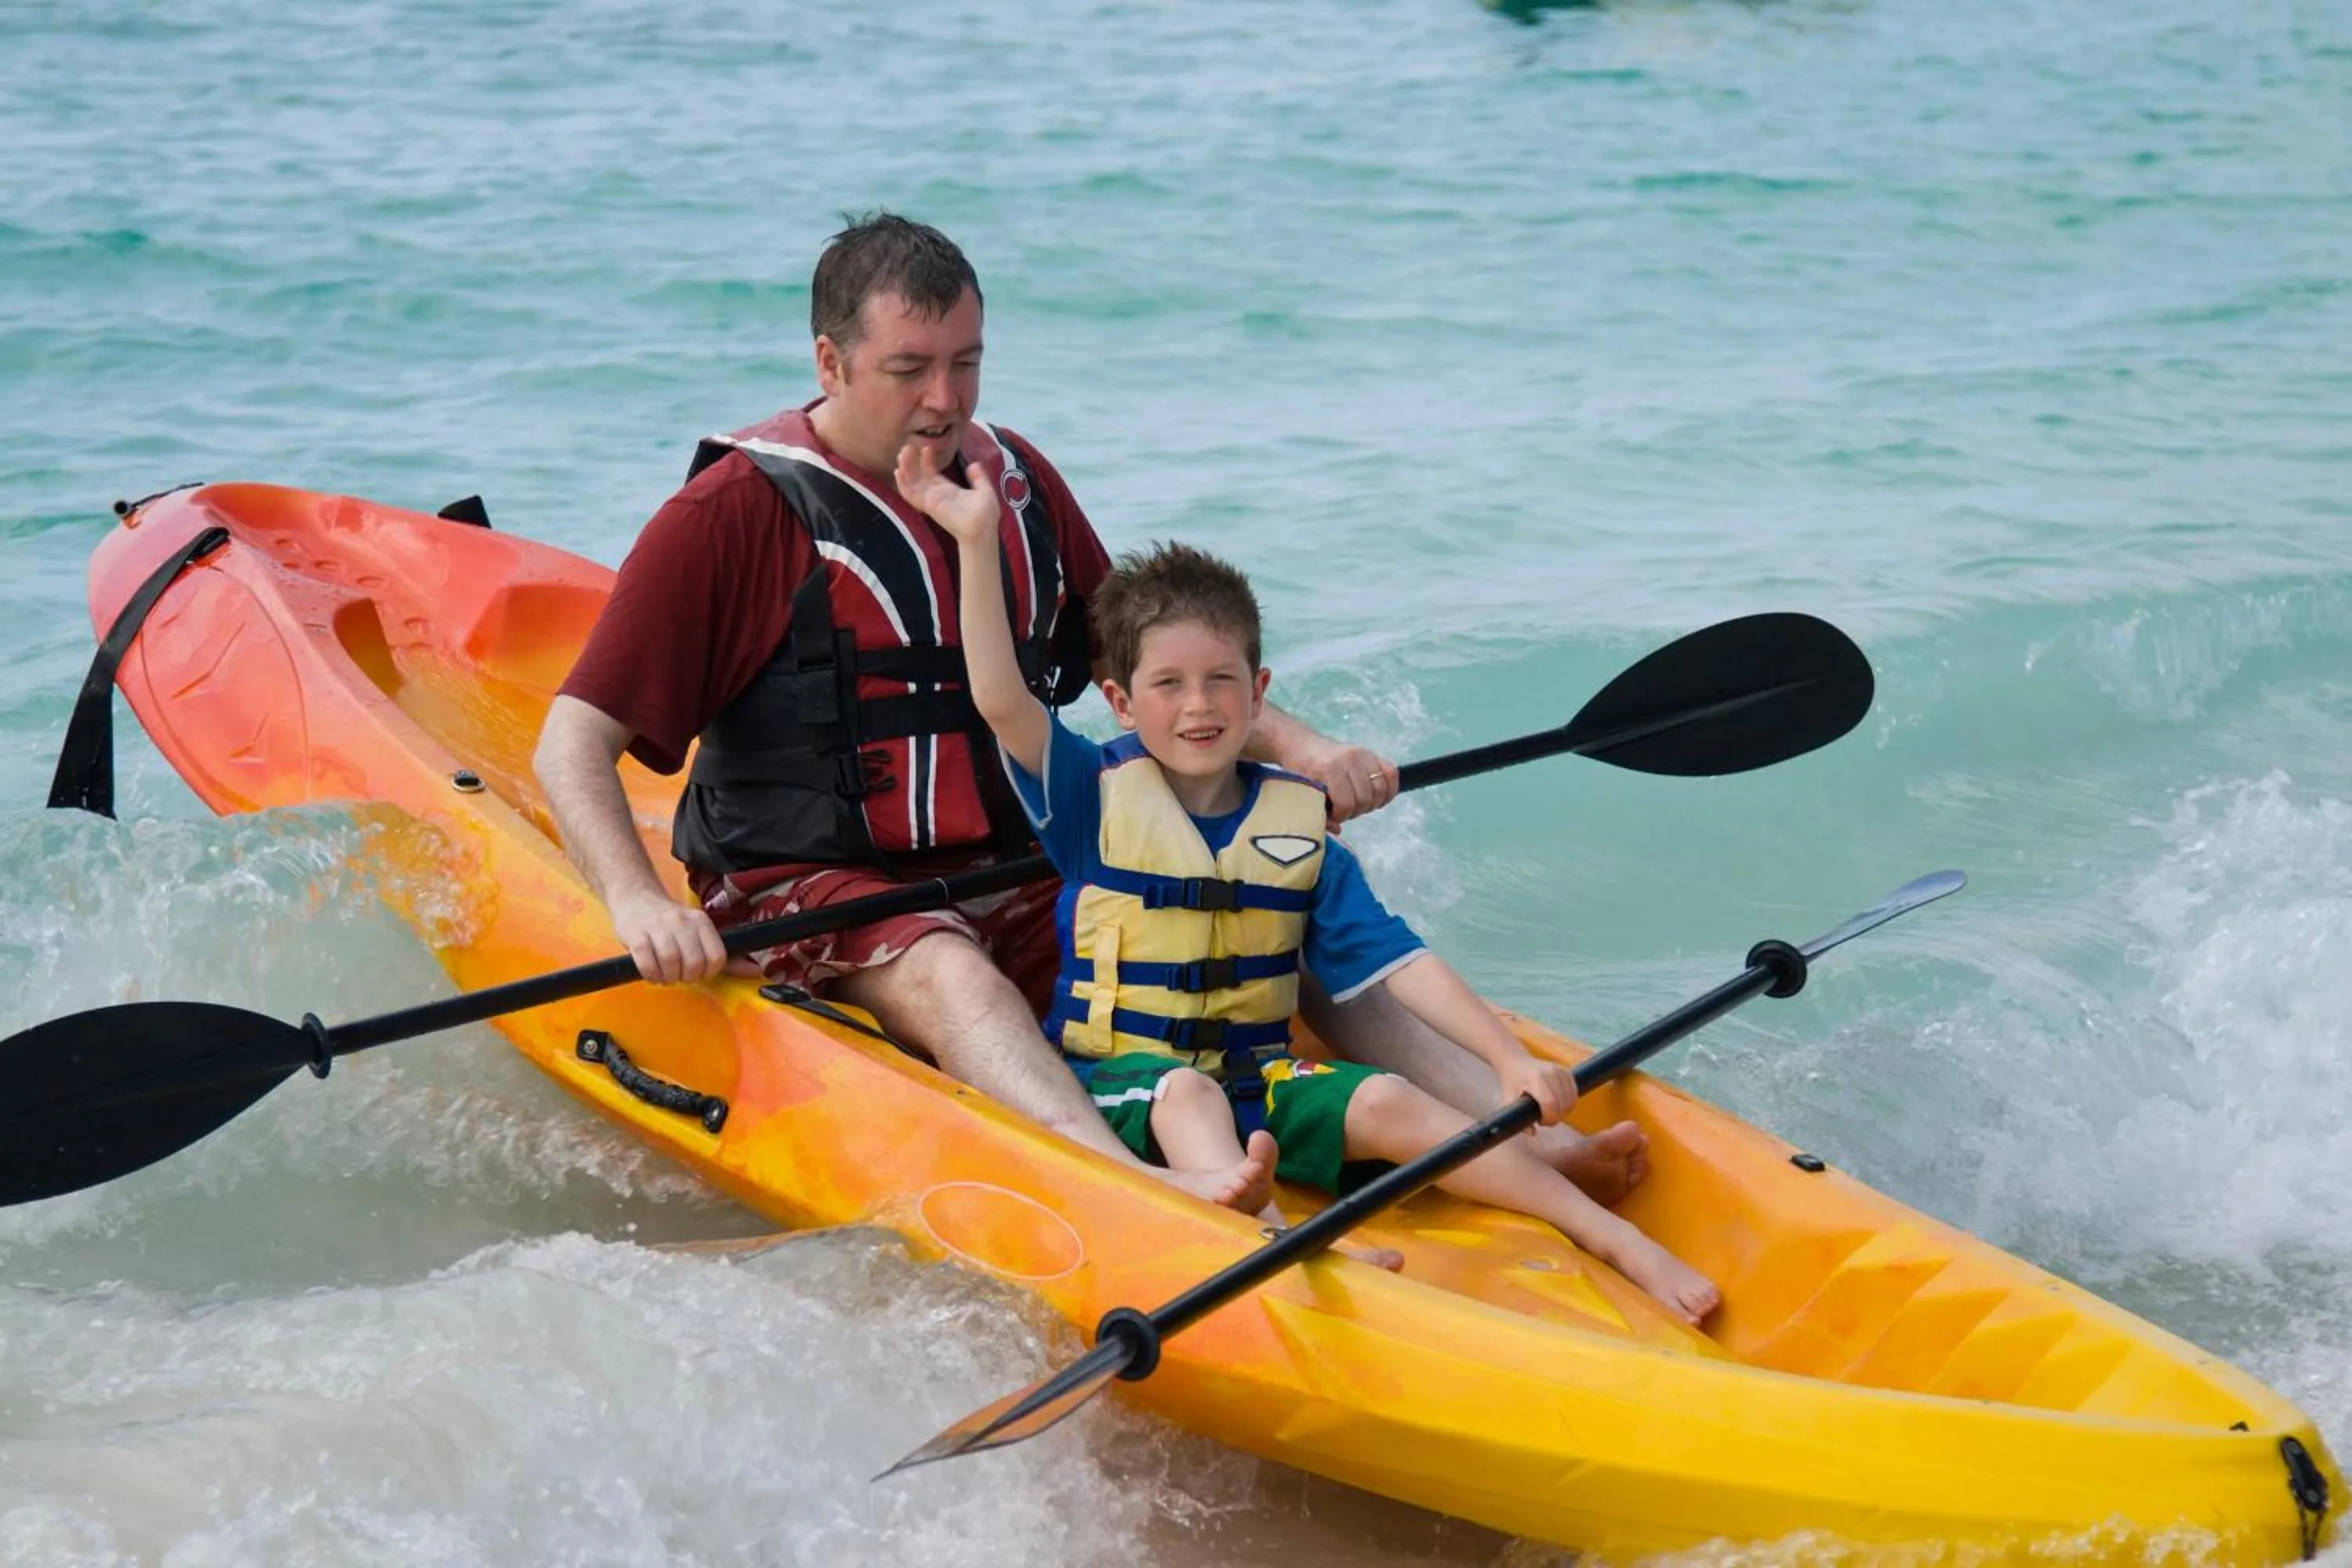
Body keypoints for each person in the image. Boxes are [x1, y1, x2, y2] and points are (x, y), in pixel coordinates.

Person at [534, 210, 1653, 1218]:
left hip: (1017, 858)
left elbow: (1157, 673)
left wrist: (1307, 750)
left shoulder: (1013, 483)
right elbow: (572, 739)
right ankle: (1134, 1190)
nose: (946, 401)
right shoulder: (732, 514)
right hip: (809, 880)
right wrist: (635, 899)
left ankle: (1516, 1138)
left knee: (1259, 895)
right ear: (830, 361)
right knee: (949, 972)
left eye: (967, 363)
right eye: (909, 369)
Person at [902, 463, 1722, 1319]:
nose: (1198, 705)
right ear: (1119, 701)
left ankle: (1609, 1234)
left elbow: (1400, 962)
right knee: (1188, 1097)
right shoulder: (1082, 799)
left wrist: (1508, 1056)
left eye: (1221, 679)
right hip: (1126, 1084)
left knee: (1389, 1097)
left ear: (1259, 693)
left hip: (1261, 1079)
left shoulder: (1299, 832)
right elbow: (1000, 698)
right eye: (1168, 684)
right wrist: (973, 540)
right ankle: (1273, 1236)